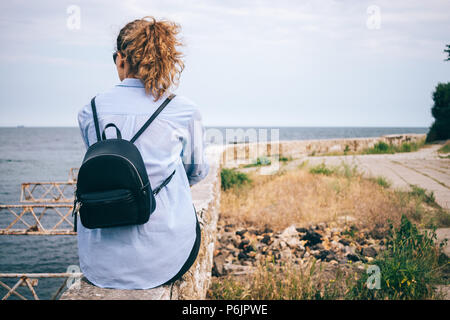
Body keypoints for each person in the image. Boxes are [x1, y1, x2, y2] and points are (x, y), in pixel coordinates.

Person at [76, 16, 209, 289]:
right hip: (165, 259)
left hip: (98, 264)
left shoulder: (90, 110)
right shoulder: (183, 110)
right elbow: (197, 171)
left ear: (121, 59)